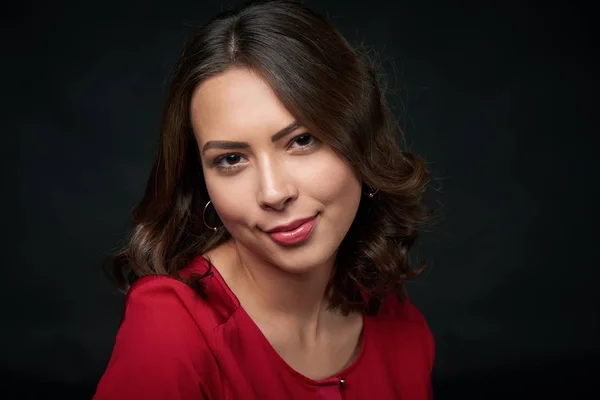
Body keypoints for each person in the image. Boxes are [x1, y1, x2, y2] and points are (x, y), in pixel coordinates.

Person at [93, 0, 436, 398]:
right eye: (231, 159)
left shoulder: (398, 321)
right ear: (201, 180)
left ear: (360, 140)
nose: (273, 192)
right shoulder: (170, 329)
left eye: (301, 140)